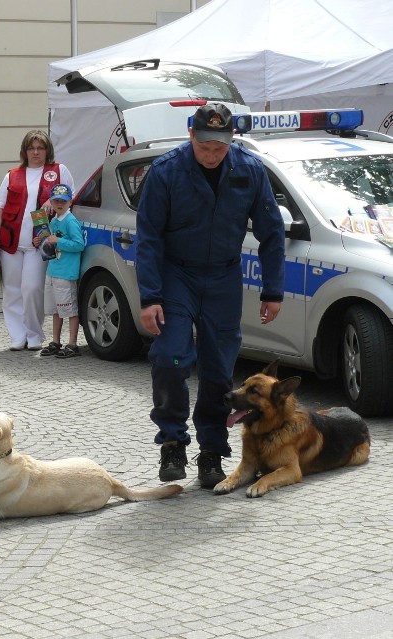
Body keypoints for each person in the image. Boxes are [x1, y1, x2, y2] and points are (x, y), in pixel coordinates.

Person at [135, 103, 285, 487]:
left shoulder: (250, 170)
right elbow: (149, 236)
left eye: (219, 147)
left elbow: (271, 232)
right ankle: (172, 441)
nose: (212, 155)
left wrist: (273, 290)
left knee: (219, 368)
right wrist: (150, 297)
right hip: (175, 275)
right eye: (205, 147)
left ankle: (212, 451)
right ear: (191, 136)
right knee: (170, 357)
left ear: (231, 139)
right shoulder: (167, 171)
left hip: (223, 276)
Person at [0, 130, 74, 351]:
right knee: (12, 290)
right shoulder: (12, 175)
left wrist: (52, 203)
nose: (36, 152)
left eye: (40, 148)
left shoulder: (58, 171)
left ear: (47, 151)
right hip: (11, 241)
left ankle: (35, 333)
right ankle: (17, 335)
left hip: (41, 243)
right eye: (31, 148)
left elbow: (69, 200)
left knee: (32, 288)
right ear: (25, 151)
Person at [35, 184, 85, 359]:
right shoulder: (54, 221)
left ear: (70, 202)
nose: (59, 204)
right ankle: (56, 341)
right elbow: (51, 242)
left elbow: (79, 245)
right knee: (56, 309)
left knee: (69, 309)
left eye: (63, 201)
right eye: (56, 200)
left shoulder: (71, 221)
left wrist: (58, 241)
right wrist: (42, 242)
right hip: (53, 270)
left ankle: (72, 343)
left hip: (66, 272)